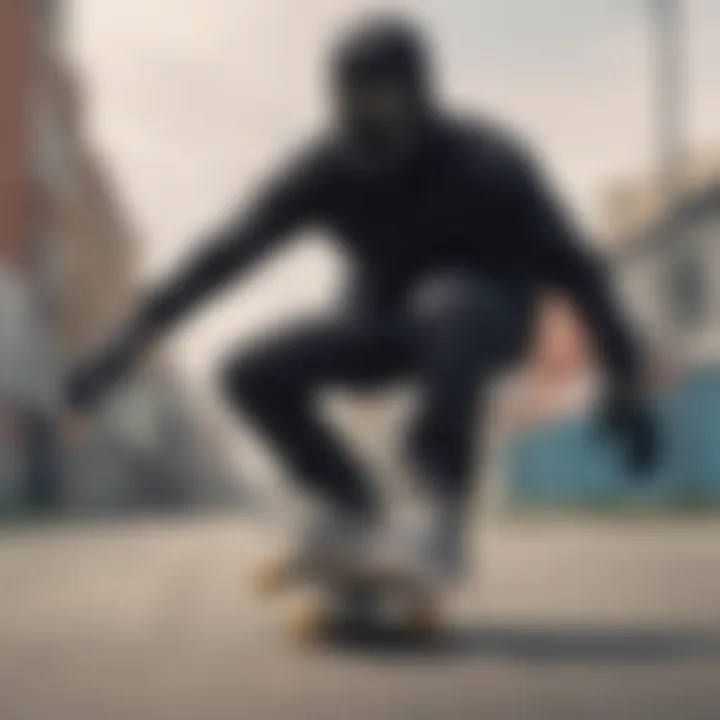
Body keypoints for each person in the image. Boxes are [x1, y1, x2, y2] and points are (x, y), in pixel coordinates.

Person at [68, 16, 659, 587]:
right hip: (383, 324)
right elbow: (225, 254)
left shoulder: (487, 162)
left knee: (447, 301)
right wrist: (125, 344)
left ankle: (438, 510)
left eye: (379, 101)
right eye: (348, 103)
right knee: (247, 370)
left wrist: (624, 376)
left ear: (420, 95)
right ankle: (347, 502)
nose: (362, 120)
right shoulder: (329, 165)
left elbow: (578, 270)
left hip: (488, 319)